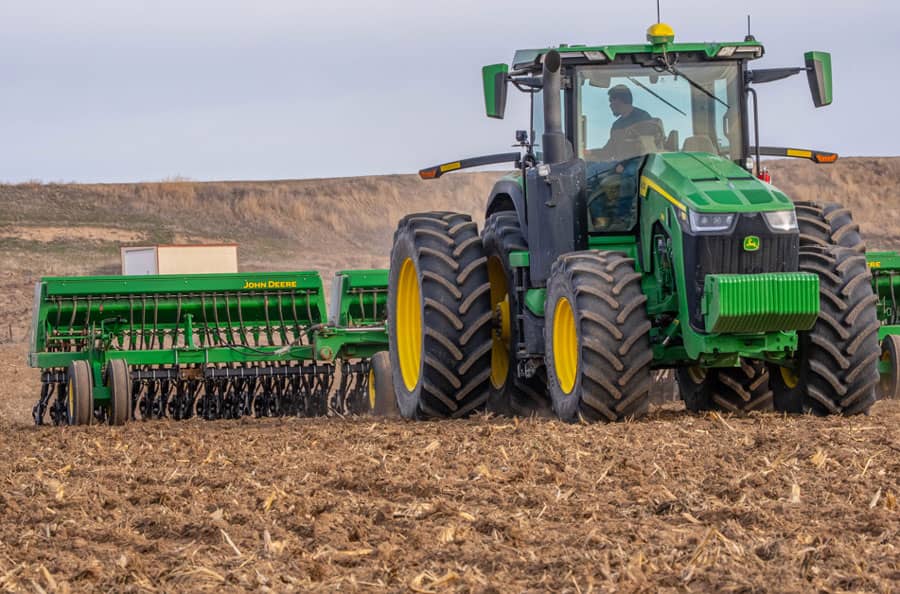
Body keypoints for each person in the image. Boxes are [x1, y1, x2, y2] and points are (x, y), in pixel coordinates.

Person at [586, 85, 654, 230]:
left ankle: (623, 218)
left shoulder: (643, 119)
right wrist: (590, 153)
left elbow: (645, 147)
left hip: (639, 161)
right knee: (590, 173)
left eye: (612, 101)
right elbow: (609, 150)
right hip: (618, 162)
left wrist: (625, 163)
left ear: (620, 101)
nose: (610, 105)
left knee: (629, 175)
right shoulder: (617, 125)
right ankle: (600, 223)